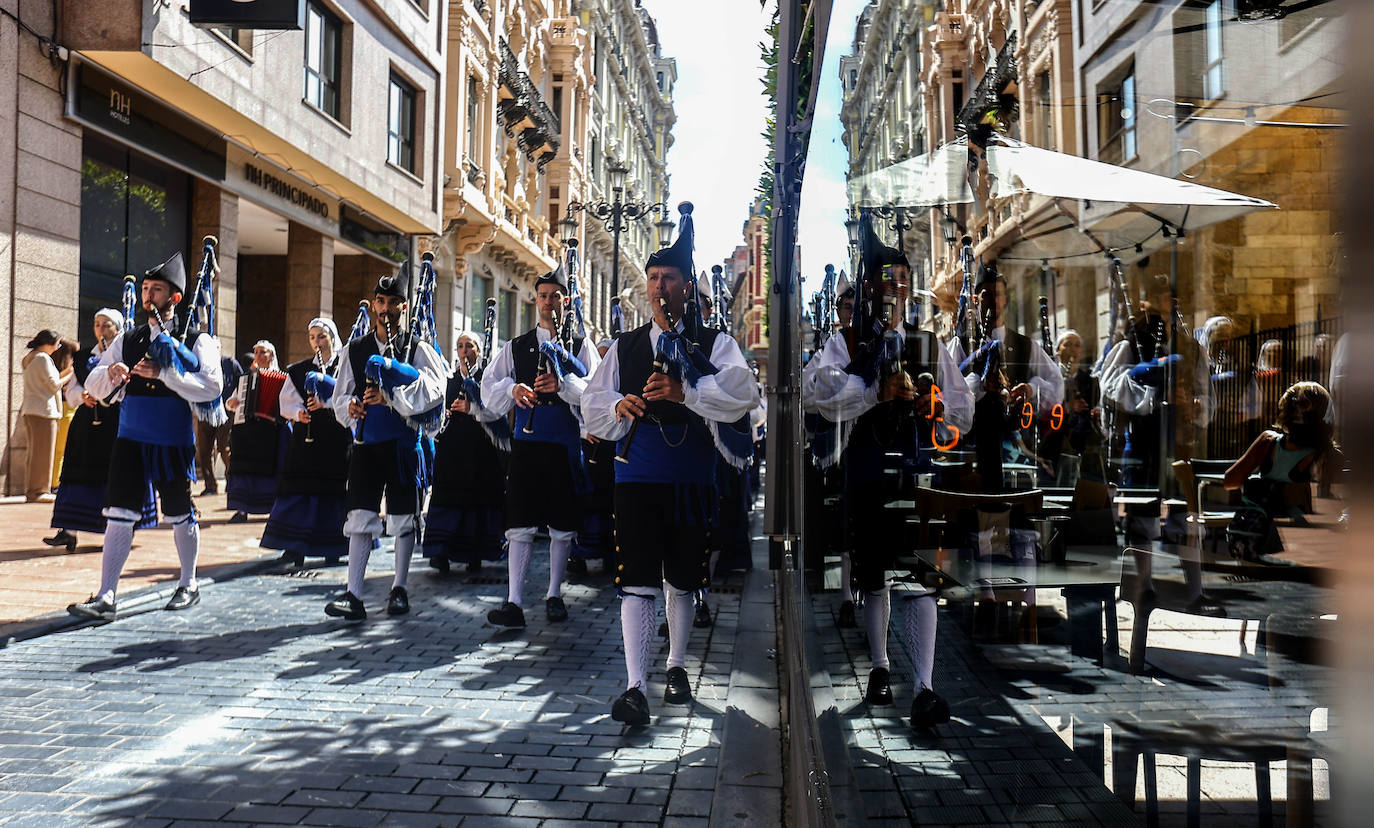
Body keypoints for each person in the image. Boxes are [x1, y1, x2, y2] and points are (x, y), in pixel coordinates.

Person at [582, 203, 760, 726]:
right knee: (636, 578)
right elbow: (592, 403)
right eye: (653, 277)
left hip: (689, 477)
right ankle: (636, 685)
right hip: (634, 473)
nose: (659, 286)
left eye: (669, 278)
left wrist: (688, 391)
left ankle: (677, 664)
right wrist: (617, 406)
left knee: (681, 577)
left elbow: (743, 393)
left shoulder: (714, 343)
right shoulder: (626, 345)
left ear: (687, 287)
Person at [810, 214, 973, 731]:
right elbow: (817, 389)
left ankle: (925, 686)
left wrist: (935, 409)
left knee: (923, 580)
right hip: (866, 476)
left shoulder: (928, 344)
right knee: (876, 575)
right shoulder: (846, 342)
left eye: (902, 281)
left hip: (917, 476)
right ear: (870, 288)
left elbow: (961, 412)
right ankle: (881, 667)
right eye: (887, 282)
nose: (896, 290)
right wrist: (869, 392)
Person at [68, 252, 225, 621]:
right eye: (146, 289)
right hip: (130, 437)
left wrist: (164, 375)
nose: (148, 295)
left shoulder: (197, 338)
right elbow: (94, 383)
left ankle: (189, 583)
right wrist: (114, 372)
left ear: (174, 298)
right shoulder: (129, 337)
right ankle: (107, 596)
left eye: (157, 290)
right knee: (119, 514)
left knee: (179, 512)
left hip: (171, 437)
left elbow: (211, 387)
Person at [480, 262, 600, 627]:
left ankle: (554, 594)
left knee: (562, 524)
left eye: (555, 297)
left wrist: (563, 386)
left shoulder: (581, 345)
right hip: (526, 446)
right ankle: (514, 601)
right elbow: (489, 389)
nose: (548, 302)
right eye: (543, 296)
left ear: (566, 301)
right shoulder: (516, 346)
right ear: (536, 300)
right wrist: (512, 389)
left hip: (563, 447)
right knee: (519, 522)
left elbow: (595, 393)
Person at [324, 264, 445, 621]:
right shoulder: (355, 348)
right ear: (374, 305)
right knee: (360, 516)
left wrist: (392, 398)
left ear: (404, 307)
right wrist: (352, 406)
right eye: (380, 301)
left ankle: (399, 588)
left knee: (404, 518)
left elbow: (435, 389)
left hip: (402, 446)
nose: (386, 308)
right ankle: (353, 595)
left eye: (393, 302)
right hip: (365, 446)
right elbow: (338, 394)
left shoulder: (416, 346)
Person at [45, 310, 156, 552]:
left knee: (116, 474)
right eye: (97, 325)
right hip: (88, 424)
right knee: (78, 472)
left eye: (106, 325)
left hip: (117, 423)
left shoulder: (128, 354)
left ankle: (121, 528)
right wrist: (81, 396)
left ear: (117, 329)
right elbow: (71, 390)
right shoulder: (84, 356)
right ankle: (68, 530)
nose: (101, 330)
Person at [959, 264, 1063, 492]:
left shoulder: (1025, 345)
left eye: (998, 294)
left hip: (1015, 456)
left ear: (1006, 299)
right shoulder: (962, 344)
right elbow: (950, 395)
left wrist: (1030, 389)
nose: (993, 301)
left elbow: (1056, 386)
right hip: (972, 454)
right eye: (987, 295)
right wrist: (980, 386)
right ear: (976, 299)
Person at [261, 319, 351, 565]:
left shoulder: (345, 368)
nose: (317, 342)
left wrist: (328, 404)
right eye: (312, 337)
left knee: (333, 494)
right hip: (306, 443)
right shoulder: (298, 370)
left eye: (321, 336)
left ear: (332, 337)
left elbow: (351, 398)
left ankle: (334, 546)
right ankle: (294, 547)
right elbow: (285, 401)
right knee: (299, 490)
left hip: (335, 441)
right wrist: (298, 413)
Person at [1223, 381, 1342, 564]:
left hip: (1261, 539)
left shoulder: (1268, 443)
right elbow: (1332, 506)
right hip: (1309, 547)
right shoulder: (1327, 455)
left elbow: (1230, 481)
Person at [425, 331, 509, 574]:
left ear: (478, 351)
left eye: (469, 346)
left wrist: (471, 408)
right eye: (460, 346)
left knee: (476, 500)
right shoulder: (449, 380)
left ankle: (476, 553)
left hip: (479, 452)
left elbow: (497, 413)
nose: (464, 351)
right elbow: (436, 413)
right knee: (447, 499)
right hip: (452, 451)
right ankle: (441, 552)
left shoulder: (487, 381)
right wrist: (444, 416)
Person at [224, 341, 285, 523]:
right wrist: (232, 404)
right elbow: (232, 401)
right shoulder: (246, 378)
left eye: (263, 352)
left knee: (271, 468)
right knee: (244, 468)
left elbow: (287, 403)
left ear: (271, 356)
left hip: (271, 431)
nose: (258, 355)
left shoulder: (282, 378)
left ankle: (272, 507)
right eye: (256, 352)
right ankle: (242, 509)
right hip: (248, 430)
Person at [21, 329, 73, 502]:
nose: (57, 348)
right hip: (44, 411)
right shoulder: (42, 358)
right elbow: (54, 384)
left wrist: (66, 373)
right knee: (43, 453)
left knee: (35, 453)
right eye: (57, 344)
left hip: (31, 409)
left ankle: (33, 490)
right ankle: (39, 491)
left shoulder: (30, 357)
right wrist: (69, 375)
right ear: (49, 343)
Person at [195, 341, 242, 496]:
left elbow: (241, 383)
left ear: (220, 349)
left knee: (224, 448)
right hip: (205, 411)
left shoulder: (230, 364)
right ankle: (210, 485)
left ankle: (232, 483)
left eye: (216, 348)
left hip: (226, 412)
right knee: (204, 450)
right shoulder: (200, 364)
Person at [50, 339, 81, 490]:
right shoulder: (69, 370)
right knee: (60, 449)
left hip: (64, 408)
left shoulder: (54, 366)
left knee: (59, 449)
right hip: (66, 409)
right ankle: (55, 482)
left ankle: (54, 480)